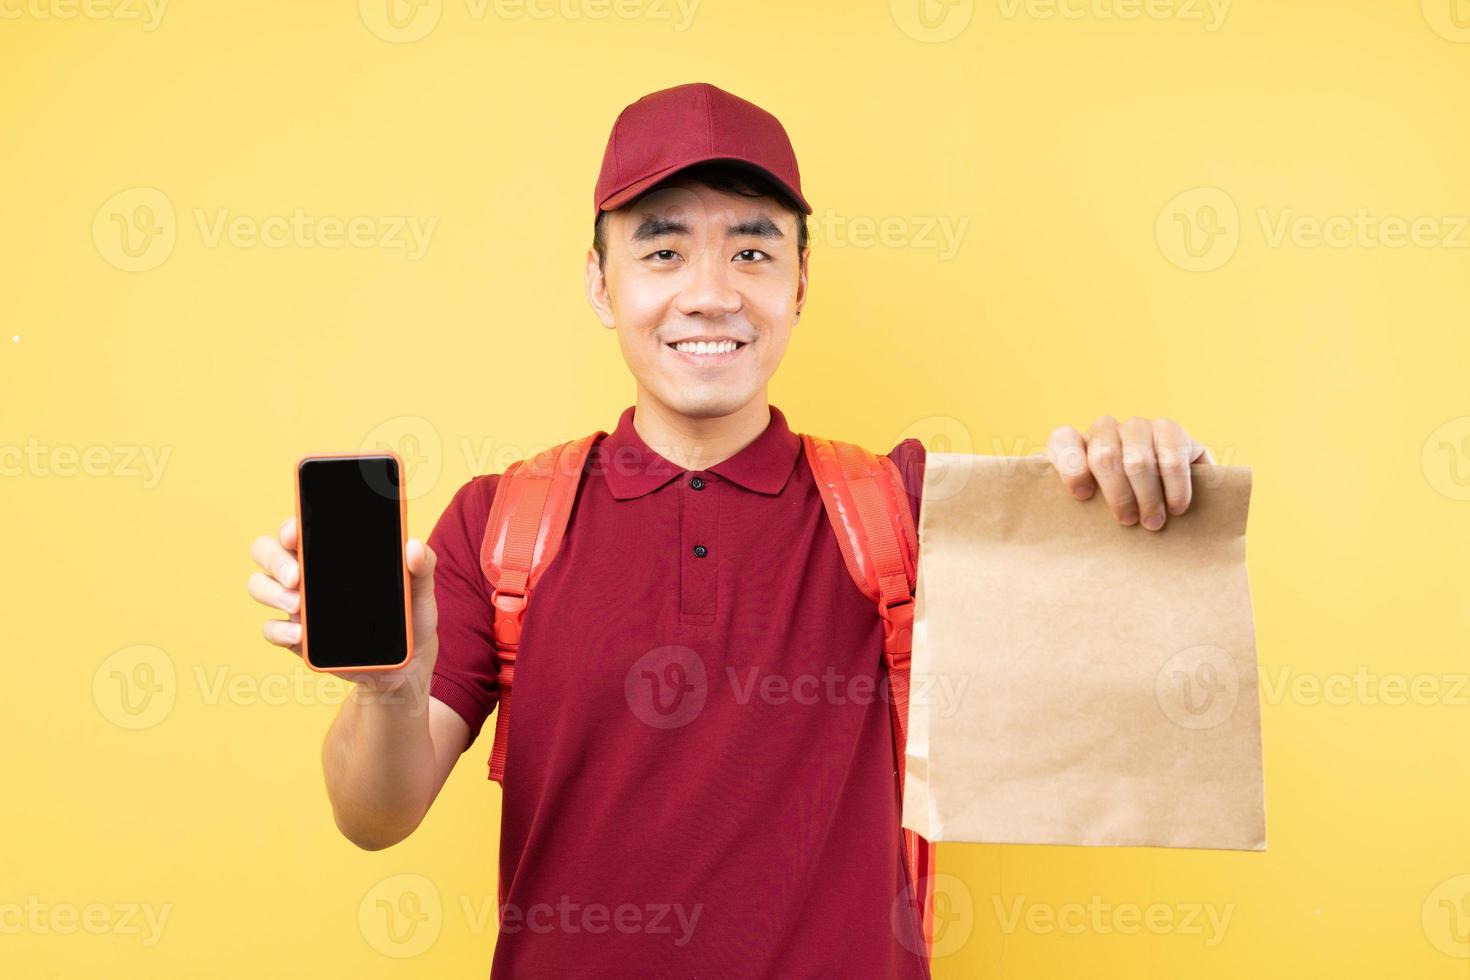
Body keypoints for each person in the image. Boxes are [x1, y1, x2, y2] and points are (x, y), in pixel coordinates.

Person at [247, 82, 1214, 978]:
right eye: (662, 251)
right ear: (599, 284)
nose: (711, 292)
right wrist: (389, 693)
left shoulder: (908, 512)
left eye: (753, 251)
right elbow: (374, 819)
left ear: (800, 283)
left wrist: (1143, 488)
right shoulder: (499, 524)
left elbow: (1135, 686)